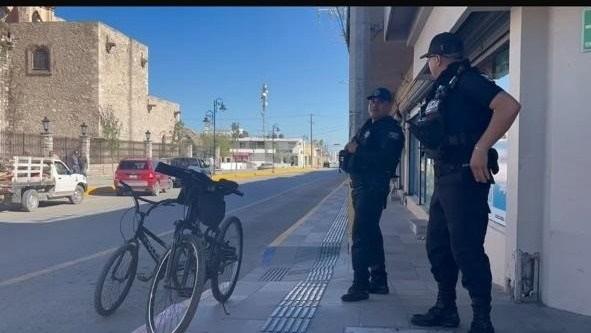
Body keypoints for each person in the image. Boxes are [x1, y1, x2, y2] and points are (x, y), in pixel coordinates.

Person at [409, 32, 521, 333]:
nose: (429, 66)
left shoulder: (468, 80)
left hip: (465, 179)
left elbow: (509, 106)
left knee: (467, 249)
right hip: (445, 177)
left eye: (429, 61)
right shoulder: (443, 88)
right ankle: (446, 309)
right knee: (438, 246)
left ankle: (482, 319)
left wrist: (481, 148)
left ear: (437, 58)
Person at [339, 87, 405, 302]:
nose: (374, 105)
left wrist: (356, 151)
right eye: (372, 101)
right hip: (360, 186)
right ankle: (379, 280)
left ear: (389, 105)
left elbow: (384, 160)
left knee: (360, 236)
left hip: (373, 188)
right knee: (371, 234)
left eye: (379, 101)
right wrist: (349, 153)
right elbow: (349, 152)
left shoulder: (391, 130)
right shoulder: (368, 126)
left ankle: (360, 285)